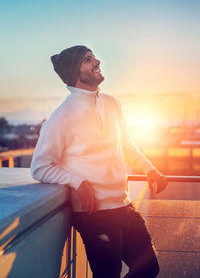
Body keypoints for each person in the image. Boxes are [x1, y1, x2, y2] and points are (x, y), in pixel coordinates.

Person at [31, 45, 168, 278]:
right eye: (88, 59)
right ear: (76, 72)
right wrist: (78, 182)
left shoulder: (112, 104)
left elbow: (126, 144)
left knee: (149, 268)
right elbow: (40, 167)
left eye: (94, 57)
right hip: (94, 216)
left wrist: (149, 169)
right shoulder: (60, 117)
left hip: (124, 205)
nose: (97, 62)